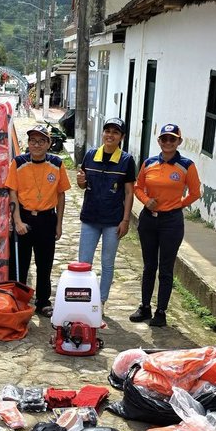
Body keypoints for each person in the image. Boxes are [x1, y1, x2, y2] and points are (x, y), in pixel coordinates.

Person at [130, 123, 202, 328]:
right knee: (149, 265)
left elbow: (195, 192)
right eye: (164, 139)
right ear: (159, 141)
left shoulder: (186, 165)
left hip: (171, 222)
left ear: (179, 141)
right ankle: (145, 307)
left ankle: (161, 311)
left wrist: (178, 204)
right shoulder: (149, 163)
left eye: (172, 139)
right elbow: (138, 186)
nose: (168, 142)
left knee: (166, 268)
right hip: (149, 220)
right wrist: (145, 200)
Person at [6, 124, 70, 317]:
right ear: (29, 143)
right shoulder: (18, 162)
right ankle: (18, 300)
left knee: (45, 264)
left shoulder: (57, 164)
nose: (37, 144)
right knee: (20, 264)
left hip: (46, 219)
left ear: (49, 144)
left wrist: (59, 223)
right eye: (33, 141)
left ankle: (43, 301)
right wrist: (17, 221)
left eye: (42, 141)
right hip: (24, 217)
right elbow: (13, 193)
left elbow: (61, 195)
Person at [75, 117, 137, 305]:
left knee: (107, 264)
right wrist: (80, 182)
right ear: (103, 133)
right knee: (84, 262)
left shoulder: (126, 160)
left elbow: (128, 192)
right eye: (107, 131)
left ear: (122, 137)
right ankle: (84, 298)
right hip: (90, 218)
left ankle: (100, 301)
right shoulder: (91, 155)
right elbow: (83, 184)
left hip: (113, 221)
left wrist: (125, 220)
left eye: (115, 132)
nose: (110, 135)